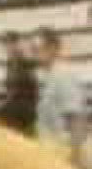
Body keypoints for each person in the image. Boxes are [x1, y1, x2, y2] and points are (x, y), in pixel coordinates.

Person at [33, 28, 88, 156]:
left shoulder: (63, 75)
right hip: (47, 146)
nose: (35, 53)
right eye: (33, 49)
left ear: (53, 48)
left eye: (38, 48)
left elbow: (76, 117)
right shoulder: (46, 75)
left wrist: (75, 154)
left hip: (61, 149)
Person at [0, 31, 39, 136]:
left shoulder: (22, 61)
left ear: (16, 44)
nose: (6, 47)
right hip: (18, 104)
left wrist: (7, 101)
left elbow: (21, 85)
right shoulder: (11, 62)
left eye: (9, 43)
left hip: (23, 105)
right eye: (5, 44)